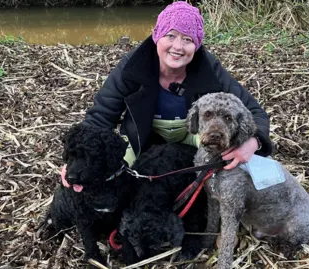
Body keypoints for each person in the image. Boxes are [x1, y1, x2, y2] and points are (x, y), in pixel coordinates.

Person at [80, 1, 272, 170]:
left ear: (196, 46)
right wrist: (78, 158)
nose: (178, 47)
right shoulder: (133, 66)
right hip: (141, 136)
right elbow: (100, 117)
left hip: (194, 134)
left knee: (232, 164)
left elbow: (255, 113)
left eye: (187, 39)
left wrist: (254, 142)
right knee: (115, 171)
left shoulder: (209, 69)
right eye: (170, 36)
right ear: (157, 36)